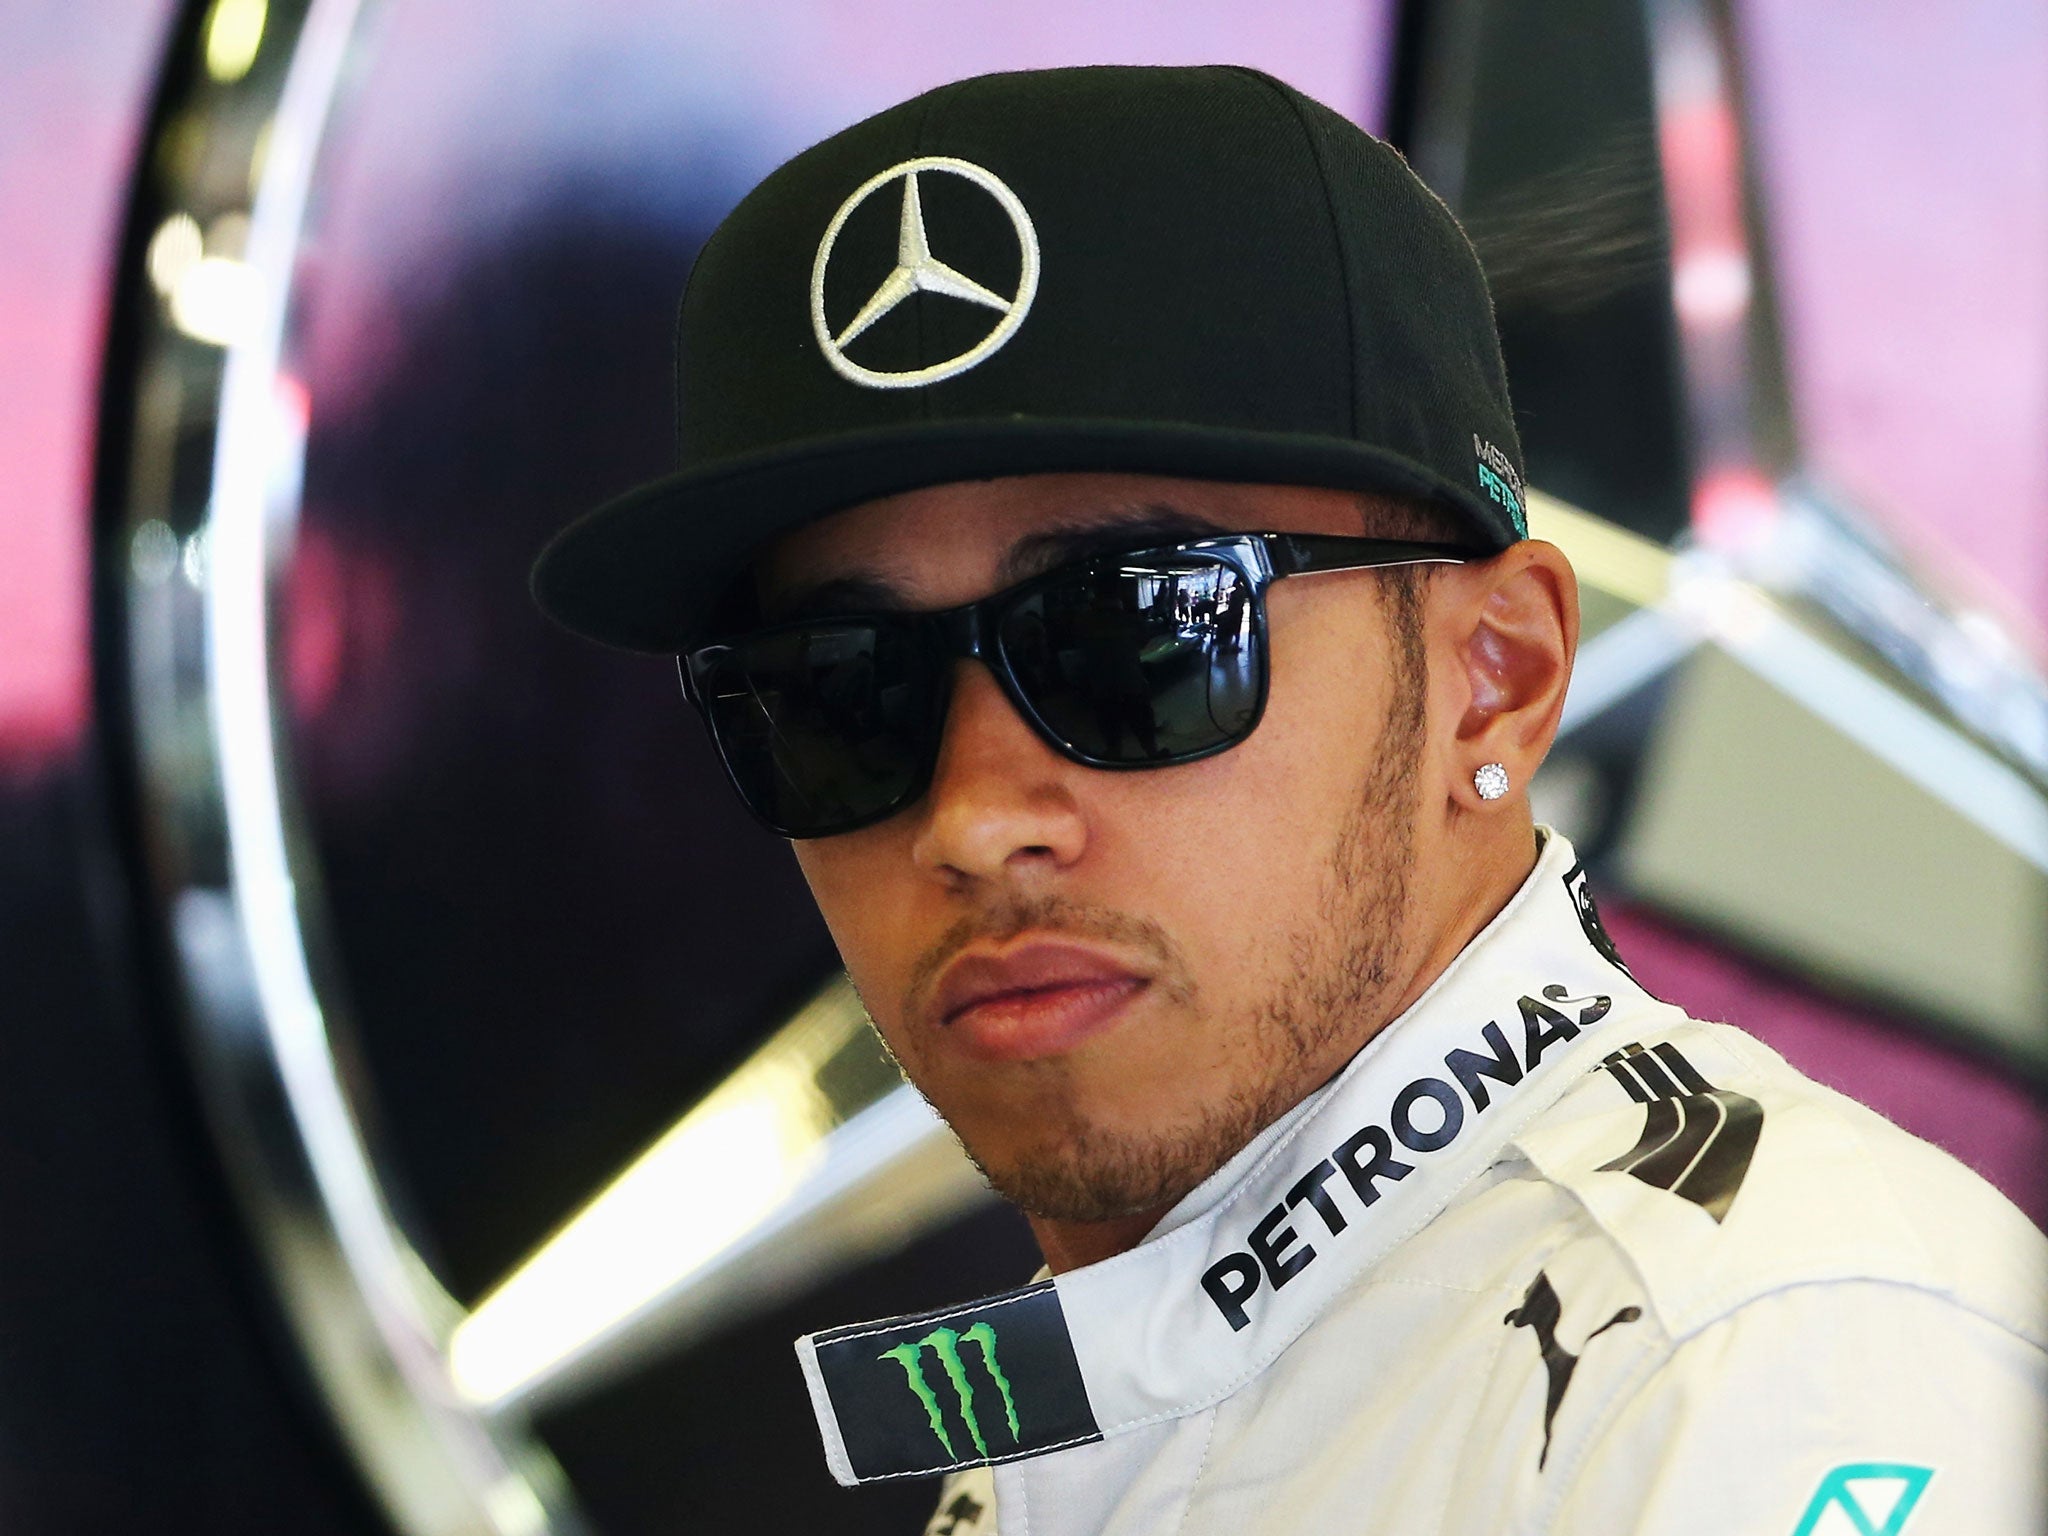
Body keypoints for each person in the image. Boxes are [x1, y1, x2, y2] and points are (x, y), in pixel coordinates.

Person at [532, 64, 2047, 1536]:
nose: (975, 817)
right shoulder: (1072, 1424)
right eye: (833, 691)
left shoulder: (1773, 1362)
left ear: (1494, 677)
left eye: (1135, 636)